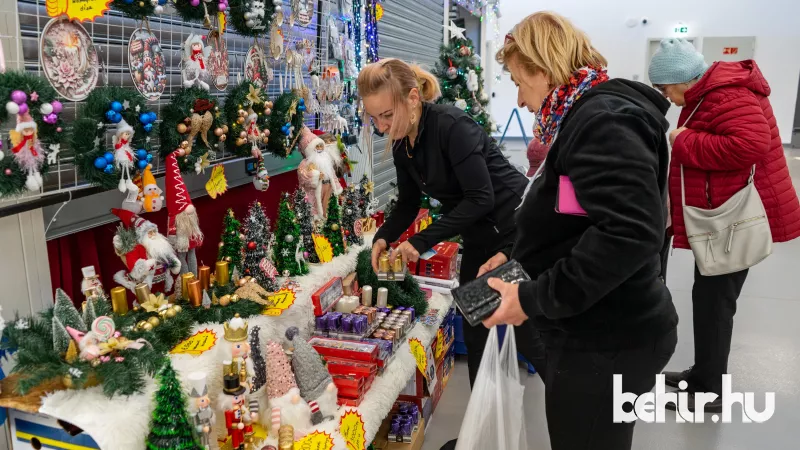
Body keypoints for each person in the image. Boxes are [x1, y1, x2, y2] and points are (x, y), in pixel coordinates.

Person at [480, 12, 679, 450]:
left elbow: (628, 234)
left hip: (607, 342)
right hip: (596, 329)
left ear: (541, 69)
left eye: (518, 80)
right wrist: (519, 256)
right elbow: (577, 216)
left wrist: (531, 297)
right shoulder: (584, 114)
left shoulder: (602, 121)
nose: (518, 98)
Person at [357, 58, 546, 390]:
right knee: (475, 331)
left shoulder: (452, 126)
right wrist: (383, 237)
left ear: (413, 98)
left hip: (515, 232)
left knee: (529, 335)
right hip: (480, 237)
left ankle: (574, 408)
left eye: (388, 115)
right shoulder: (403, 142)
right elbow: (408, 204)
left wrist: (419, 242)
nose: (383, 126)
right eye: (375, 118)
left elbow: (480, 198)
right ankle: (482, 431)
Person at [649, 38, 800, 411]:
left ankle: (710, 392)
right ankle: (703, 375)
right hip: (724, 217)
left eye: (664, 87)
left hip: (735, 217)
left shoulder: (725, 94)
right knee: (710, 297)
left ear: (683, 79)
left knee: (716, 302)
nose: (665, 96)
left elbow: (750, 145)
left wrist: (684, 141)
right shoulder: (710, 93)